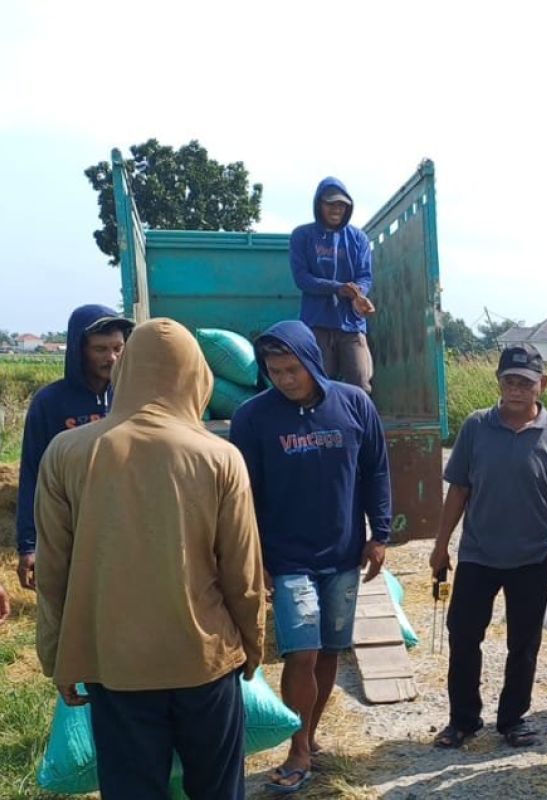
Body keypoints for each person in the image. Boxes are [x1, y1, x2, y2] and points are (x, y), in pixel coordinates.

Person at [35, 318, 265, 800]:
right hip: (205, 662)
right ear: (197, 377)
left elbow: (53, 570)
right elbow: (242, 572)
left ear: (127, 371)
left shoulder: (68, 452)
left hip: (116, 665)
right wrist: (254, 643)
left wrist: (57, 654)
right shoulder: (220, 457)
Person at [230, 320, 391, 792]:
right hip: (288, 560)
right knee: (301, 654)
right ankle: (299, 749)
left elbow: (376, 471)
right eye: (274, 370)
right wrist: (252, 554)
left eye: (291, 368)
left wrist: (379, 534)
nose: (283, 379)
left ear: (312, 362)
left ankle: (310, 734)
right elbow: (243, 493)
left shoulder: (354, 403)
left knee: (328, 653)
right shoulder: (253, 417)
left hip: (342, 554)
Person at [430, 344, 547, 749]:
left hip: (532, 556)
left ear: (542, 385)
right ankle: (463, 720)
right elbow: (459, 489)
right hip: (479, 553)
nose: (516, 390)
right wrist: (441, 543)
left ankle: (513, 719)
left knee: (524, 641)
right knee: (463, 636)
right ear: (499, 383)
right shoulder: (476, 427)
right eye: (509, 381)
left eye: (525, 383)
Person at [15, 304, 132, 591]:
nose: (112, 358)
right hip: (71, 529)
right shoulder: (51, 403)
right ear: (79, 350)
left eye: (118, 347)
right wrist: (29, 545)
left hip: (128, 528)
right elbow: (33, 473)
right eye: (100, 349)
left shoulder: (133, 397)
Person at [290, 177, 376, 393]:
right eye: (330, 204)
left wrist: (359, 295)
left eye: (341, 205)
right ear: (319, 204)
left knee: (361, 384)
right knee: (317, 385)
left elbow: (364, 276)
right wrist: (337, 287)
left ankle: (360, 426)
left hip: (351, 325)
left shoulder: (359, 238)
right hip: (317, 323)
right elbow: (302, 278)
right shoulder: (302, 236)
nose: (336, 209)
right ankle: (320, 426)